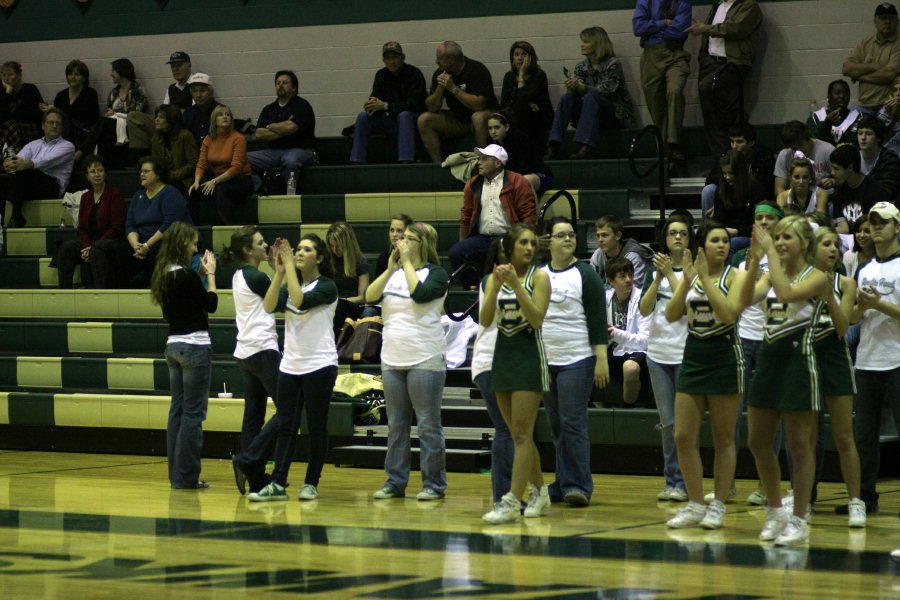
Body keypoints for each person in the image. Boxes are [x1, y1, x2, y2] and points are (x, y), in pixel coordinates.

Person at [743, 216, 831, 546]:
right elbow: (741, 301)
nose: (779, 243)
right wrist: (753, 261)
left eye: (787, 238)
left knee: (799, 445)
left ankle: (798, 517)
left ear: (804, 244)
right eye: (777, 238)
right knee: (757, 441)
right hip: (768, 360)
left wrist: (768, 256)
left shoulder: (819, 277)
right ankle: (776, 510)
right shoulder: (770, 272)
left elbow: (786, 293)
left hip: (798, 362)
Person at [237, 236, 339, 502]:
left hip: (320, 364)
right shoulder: (291, 282)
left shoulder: (327, 287)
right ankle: (278, 482)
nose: (301, 252)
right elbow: (269, 305)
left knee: (316, 427)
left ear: (320, 258)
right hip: (291, 365)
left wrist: (289, 269)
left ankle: (311, 483)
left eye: (308, 249)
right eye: (299, 248)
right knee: (286, 425)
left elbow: (300, 299)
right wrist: (280, 273)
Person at [664, 222, 752, 530]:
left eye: (725, 240)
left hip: (725, 356)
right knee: (682, 435)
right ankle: (695, 503)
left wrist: (703, 279)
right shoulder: (690, 277)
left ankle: (718, 505)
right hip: (693, 356)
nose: (722, 245)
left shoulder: (737, 275)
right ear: (701, 247)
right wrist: (687, 282)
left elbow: (729, 313)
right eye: (715, 240)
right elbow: (672, 314)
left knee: (723, 436)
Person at [365, 222, 449, 501]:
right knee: (396, 425)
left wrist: (409, 265)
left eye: (409, 239)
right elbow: (369, 296)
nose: (402, 242)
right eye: (402, 238)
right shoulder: (395, 274)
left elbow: (421, 294)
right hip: (392, 359)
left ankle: (433, 484)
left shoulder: (436, 274)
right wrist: (391, 268)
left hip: (425, 358)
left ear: (423, 244)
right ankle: (395, 481)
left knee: (427, 424)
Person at [480, 224, 551, 523]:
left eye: (532, 243)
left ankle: (512, 500)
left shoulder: (540, 277)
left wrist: (517, 285)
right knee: (516, 434)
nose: (529, 247)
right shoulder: (493, 278)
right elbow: (484, 320)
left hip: (529, 359)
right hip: (502, 359)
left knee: (522, 433)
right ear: (509, 247)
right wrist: (496, 285)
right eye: (523, 242)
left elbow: (536, 319)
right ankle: (541, 491)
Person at [541, 217, 609, 507]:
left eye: (571, 235)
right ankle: (561, 482)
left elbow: (597, 320)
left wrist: (601, 359)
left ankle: (579, 485)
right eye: (561, 235)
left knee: (573, 423)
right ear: (550, 241)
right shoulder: (539, 274)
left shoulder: (585, 274)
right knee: (556, 425)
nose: (568, 239)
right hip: (546, 361)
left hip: (577, 359)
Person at [150, 220, 217, 489]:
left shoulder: (163, 275)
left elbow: (185, 302)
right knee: (193, 414)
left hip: (173, 347)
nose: (196, 248)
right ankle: (186, 477)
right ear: (181, 244)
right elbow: (210, 304)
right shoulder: (186, 277)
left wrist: (199, 276)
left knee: (177, 411)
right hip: (195, 347)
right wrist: (210, 275)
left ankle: (176, 476)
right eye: (192, 243)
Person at [845, 201, 900, 515]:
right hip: (867, 360)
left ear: (897, 227)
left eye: (883, 222)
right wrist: (863, 308)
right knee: (864, 437)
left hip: (897, 359)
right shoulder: (865, 269)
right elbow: (853, 318)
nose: (876, 227)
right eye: (873, 222)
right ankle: (866, 499)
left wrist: (879, 305)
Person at [810, 226, 866, 528]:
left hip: (835, 359)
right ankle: (804, 500)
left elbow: (843, 327)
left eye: (835, 244)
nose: (833, 249)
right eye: (826, 244)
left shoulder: (845, 282)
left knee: (844, 436)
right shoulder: (800, 281)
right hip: (807, 359)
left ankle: (856, 502)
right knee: (807, 437)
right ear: (812, 249)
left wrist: (828, 294)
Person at [639, 214, 693, 502]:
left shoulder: (693, 269)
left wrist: (671, 276)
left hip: (685, 354)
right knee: (667, 423)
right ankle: (671, 480)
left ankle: (685, 482)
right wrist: (656, 278)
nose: (677, 237)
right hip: (657, 354)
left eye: (682, 232)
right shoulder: (655, 271)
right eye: (672, 232)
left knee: (684, 427)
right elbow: (645, 310)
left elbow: (685, 307)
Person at [221, 226, 280, 479]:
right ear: (248, 250)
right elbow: (282, 299)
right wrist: (281, 270)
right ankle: (247, 460)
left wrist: (277, 271)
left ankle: (252, 474)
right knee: (289, 410)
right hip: (262, 349)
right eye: (260, 243)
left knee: (253, 415)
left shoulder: (239, 275)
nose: (265, 246)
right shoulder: (256, 277)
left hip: (246, 352)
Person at [449, 144, 536, 288]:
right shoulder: (473, 184)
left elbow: (528, 215)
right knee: (457, 252)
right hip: (482, 238)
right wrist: (462, 241)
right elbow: (466, 214)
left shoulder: (518, 181)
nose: (479, 162)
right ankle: (475, 288)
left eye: (485, 159)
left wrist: (526, 240)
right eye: (479, 159)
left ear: (498, 163)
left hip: (509, 236)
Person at [686, 0, 763, 156]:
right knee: (710, 111)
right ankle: (720, 156)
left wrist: (706, 28)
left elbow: (736, 28)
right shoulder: (717, 6)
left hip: (732, 61)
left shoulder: (748, 5)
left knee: (719, 100)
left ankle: (733, 154)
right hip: (710, 61)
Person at [546, 27, 634, 160]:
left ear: (598, 44)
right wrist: (572, 87)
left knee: (592, 96)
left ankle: (586, 146)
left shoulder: (613, 64)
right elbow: (577, 94)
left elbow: (607, 91)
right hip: (587, 115)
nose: (582, 45)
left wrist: (582, 88)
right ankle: (554, 144)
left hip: (612, 115)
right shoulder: (581, 66)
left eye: (586, 42)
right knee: (567, 97)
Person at [472, 239, 513, 504]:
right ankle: (504, 496)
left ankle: (525, 491)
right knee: (507, 429)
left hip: (518, 362)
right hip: (490, 361)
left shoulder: (535, 280)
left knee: (517, 431)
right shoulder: (490, 281)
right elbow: (485, 319)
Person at [55, 155, 130, 289]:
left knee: (97, 249)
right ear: (87, 176)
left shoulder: (114, 194)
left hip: (113, 242)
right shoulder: (85, 197)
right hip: (92, 243)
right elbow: (82, 228)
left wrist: (93, 246)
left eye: (100, 170)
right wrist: (87, 245)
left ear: (105, 173)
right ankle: (64, 291)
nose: (97, 174)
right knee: (66, 248)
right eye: (93, 171)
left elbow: (117, 227)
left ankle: (99, 293)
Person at [418, 41, 497, 164]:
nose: (436, 61)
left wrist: (453, 88)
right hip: (457, 119)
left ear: (451, 59)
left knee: (478, 117)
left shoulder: (476, 69)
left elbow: (479, 105)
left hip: (483, 117)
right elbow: (432, 107)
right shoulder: (441, 72)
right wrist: (440, 88)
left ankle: (484, 162)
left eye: (439, 58)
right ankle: (438, 166)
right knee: (424, 119)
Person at [632, 0, 692, 161]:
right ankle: (664, 151)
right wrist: (664, 23)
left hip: (675, 54)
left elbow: (680, 31)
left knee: (675, 91)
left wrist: (652, 29)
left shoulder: (683, 3)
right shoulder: (646, 1)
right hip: (650, 55)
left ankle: (674, 144)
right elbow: (638, 28)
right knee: (655, 103)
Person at [350, 41, 426, 164]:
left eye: (395, 57)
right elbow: (375, 98)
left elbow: (416, 104)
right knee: (362, 117)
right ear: (384, 60)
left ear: (403, 58)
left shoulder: (414, 73)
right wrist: (371, 105)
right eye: (388, 58)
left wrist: (386, 106)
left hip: (412, 121)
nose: (392, 62)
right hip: (390, 121)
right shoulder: (381, 75)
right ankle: (357, 160)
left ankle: (406, 160)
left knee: (404, 115)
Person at [1, 108, 74, 229]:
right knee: (5, 180)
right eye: (51, 122)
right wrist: (9, 163)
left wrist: (25, 164)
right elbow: (19, 158)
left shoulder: (67, 146)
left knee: (22, 173)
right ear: (43, 126)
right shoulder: (33, 144)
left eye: (58, 123)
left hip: (51, 186)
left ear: (62, 127)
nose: (54, 126)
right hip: (30, 183)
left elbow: (47, 161)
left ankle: (16, 216)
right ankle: (4, 221)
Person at [125, 156, 192, 288]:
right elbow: (130, 225)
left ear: (158, 174)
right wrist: (136, 246)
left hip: (168, 240)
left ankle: (145, 283)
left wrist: (146, 246)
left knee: (159, 248)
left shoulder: (171, 193)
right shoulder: (138, 196)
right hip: (143, 244)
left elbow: (169, 226)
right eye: (141, 172)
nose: (142, 174)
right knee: (118, 250)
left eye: (146, 171)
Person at [248, 70, 316, 191]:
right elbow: (259, 134)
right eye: (278, 83)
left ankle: (291, 193)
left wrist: (270, 126)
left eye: (285, 82)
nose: (280, 85)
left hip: (301, 150)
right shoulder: (269, 109)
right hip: (274, 152)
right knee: (243, 159)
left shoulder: (302, 105)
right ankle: (258, 189)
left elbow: (290, 128)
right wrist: (283, 128)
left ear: (294, 87)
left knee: (290, 161)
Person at [77, 58, 151, 168]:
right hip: (116, 126)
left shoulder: (138, 90)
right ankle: (104, 168)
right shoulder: (114, 92)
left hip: (132, 126)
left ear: (122, 71)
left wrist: (116, 113)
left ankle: (81, 151)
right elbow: (108, 112)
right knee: (104, 136)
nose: (111, 74)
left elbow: (138, 113)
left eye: (113, 71)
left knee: (102, 122)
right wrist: (111, 114)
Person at [188, 105, 253, 225]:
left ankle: (227, 227)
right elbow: (201, 163)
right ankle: (194, 229)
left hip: (241, 181)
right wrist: (197, 181)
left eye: (228, 114)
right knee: (193, 191)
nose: (225, 117)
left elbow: (236, 168)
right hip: (220, 181)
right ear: (214, 120)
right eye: (221, 115)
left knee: (220, 190)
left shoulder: (238, 138)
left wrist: (214, 181)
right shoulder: (208, 139)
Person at [702, 122, 775, 217]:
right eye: (732, 141)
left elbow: (764, 188)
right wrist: (718, 205)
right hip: (730, 197)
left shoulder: (764, 157)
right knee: (708, 190)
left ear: (751, 143)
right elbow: (711, 179)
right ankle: (708, 228)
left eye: (739, 142)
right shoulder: (728, 155)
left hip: (752, 200)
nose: (734, 146)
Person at [605, 257, 651, 405]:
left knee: (630, 368)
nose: (629, 280)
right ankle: (598, 405)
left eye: (631, 275)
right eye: (622, 276)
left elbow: (644, 341)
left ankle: (627, 411)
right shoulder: (604, 299)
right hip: (610, 350)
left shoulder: (643, 299)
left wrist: (615, 333)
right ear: (611, 281)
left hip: (636, 352)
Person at [128, 51, 194, 153]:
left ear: (189, 65)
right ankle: (141, 155)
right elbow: (164, 108)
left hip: (183, 120)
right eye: (173, 66)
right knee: (133, 116)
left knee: (176, 113)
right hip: (167, 119)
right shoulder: (171, 88)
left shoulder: (196, 84)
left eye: (179, 65)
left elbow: (195, 110)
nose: (175, 69)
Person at [843, 3, 900, 115]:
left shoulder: (898, 45)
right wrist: (874, 66)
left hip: (888, 106)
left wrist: (860, 76)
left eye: (891, 18)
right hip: (863, 106)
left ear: (897, 22)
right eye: (883, 18)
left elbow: (888, 75)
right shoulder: (865, 44)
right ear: (875, 22)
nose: (887, 21)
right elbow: (846, 68)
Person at [487, 112, 553, 199]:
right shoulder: (490, 142)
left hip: (538, 175)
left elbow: (526, 168)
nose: (493, 132)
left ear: (507, 127)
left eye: (497, 127)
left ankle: (531, 212)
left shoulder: (520, 139)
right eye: (490, 128)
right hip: (511, 178)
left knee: (525, 181)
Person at [498, 41, 553, 146]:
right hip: (516, 116)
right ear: (512, 58)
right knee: (519, 110)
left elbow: (525, 99)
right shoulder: (509, 76)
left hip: (538, 117)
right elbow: (504, 103)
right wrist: (524, 105)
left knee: (523, 110)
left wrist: (521, 75)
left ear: (531, 57)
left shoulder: (539, 75)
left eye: (524, 54)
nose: (519, 58)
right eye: (516, 54)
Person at [711, 149, 767, 252]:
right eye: (724, 173)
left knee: (730, 244)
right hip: (726, 234)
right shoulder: (721, 191)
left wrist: (737, 231)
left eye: (731, 173)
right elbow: (718, 221)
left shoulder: (756, 190)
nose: (727, 177)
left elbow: (759, 224)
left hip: (748, 235)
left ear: (740, 172)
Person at [828, 144, 890, 233]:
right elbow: (843, 228)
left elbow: (880, 227)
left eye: (836, 169)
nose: (832, 173)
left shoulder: (876, 192)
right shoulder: (838, 192)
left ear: (850, 167)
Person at [41, 59, 99, 150]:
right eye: (70, 74)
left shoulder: (90, 94)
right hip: (62, 131)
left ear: (84, 78)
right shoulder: (61, 95)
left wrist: (58, 111)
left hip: (82, 133)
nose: (73, 77)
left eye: (77, 74)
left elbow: (93, 119)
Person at [326, 221, 370, 334]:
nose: (335, 250)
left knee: (338, 307)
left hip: (351, 306)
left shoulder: (360, 262)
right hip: (332, 304)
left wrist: (341, 301)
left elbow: (362, 297)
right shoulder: (327, 262)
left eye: (338, 246)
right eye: (332, 246)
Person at [589, 214, 653, 289]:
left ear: (618, 236)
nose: (600, 240)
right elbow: (590, 284)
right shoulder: (598, 254)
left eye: (605, 235)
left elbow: (632, 290)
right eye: (598, 236)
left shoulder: (633, 257)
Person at [773, 121, 835, 197]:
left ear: (808, 138)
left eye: (801, 145)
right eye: (794, 148)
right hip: (794, 200)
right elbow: (779, 189)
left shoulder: (827, 150)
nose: (798, 150)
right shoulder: (785, 154)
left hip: (824, 197)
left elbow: (841, 179)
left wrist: (832, 181)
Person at [151, 105, 199, 198]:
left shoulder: (185, 135)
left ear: (171, 120)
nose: (157, 120)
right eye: (156, 117)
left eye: (161, 117)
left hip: (185, 179)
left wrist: (173, 175)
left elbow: (193, 163)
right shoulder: (156, 139)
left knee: (170, 190)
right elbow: (155, 162)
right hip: (165, 178)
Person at [0, 61, 44, 154]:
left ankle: (12, 159)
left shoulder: (29, 89)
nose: (7, 78)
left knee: (10, 125)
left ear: (19, 75)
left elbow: (24, 115)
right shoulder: (4, 94)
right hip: (12, 130)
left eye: (10, 74)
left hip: (31, 128)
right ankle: (10, 160)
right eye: (4, 75)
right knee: (9, 127)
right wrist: (8, 92)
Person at [857, 115, 900, 198]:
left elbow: (888, 191)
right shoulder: (852, 156)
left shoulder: (890, 159)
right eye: (860, 133)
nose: (863, 138)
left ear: (878, 138)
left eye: (868, 134)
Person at [807, 80, 860, 146]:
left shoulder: (857, 118)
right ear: (829, 97)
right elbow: (814, 145)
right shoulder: (816, 118)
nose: (842, 96)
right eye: (837, 93)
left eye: (846, 94)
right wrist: (826, 125)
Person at [182, 73, 220, 148]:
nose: (198, 95)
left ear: (210, 92)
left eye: (202, 90)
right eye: (195, 91)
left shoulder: (220, 111)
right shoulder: (188, 113)